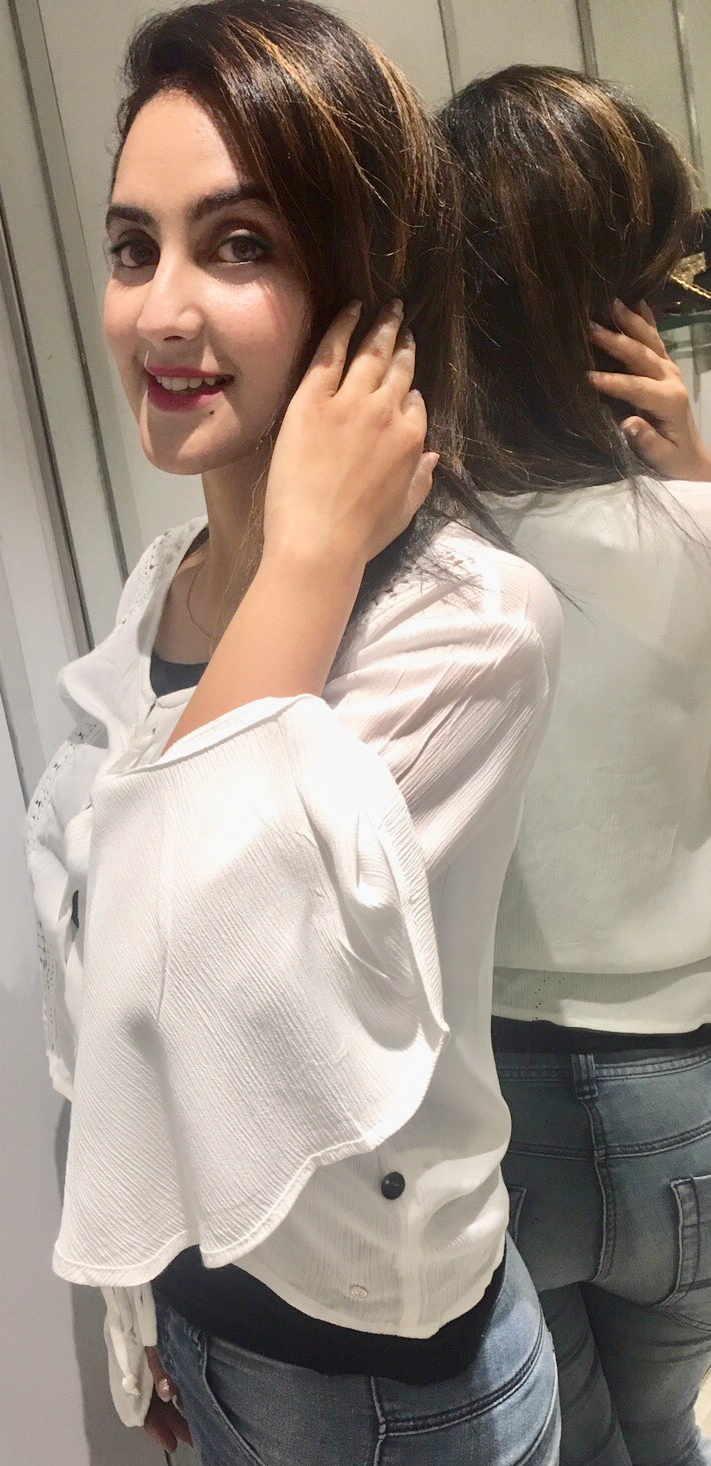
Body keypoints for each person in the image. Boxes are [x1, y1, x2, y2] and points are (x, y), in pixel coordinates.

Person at [25, 5, 563, 1463]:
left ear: (365, 289)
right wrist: (144, 1307)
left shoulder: (466, 626)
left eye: (239, 244)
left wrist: (314, 557)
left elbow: (184, 967)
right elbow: (107, 1009)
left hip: (382, 1381)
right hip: (212, 1329)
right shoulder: (165, 590)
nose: (160, 311)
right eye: (134, 247)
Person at [438, 65, 711, 1466]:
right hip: (690, 1094)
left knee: (576, 1446)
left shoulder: (414, 571)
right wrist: (695, 476)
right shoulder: (699, 528)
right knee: (669, 1423)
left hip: (498, 1101)